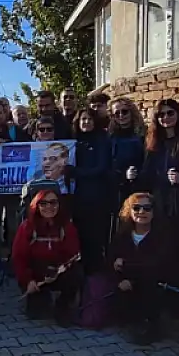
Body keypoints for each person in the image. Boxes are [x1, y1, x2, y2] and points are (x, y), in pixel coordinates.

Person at [138, 99, 179, 318]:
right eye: (161, 115)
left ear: (178, 114)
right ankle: (161, 296)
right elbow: (147, 174)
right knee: (161, 251)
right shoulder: (154, 143)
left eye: (170, 113)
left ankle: (178, 301)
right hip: (159, 204)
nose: (165, 118)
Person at [107, 192, 170, 344]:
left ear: (154, 212)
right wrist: (120, 279)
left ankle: (152, 324)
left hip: (152, 285)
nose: (141, 212)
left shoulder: (163, 236)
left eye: (147, 208)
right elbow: (111, 262)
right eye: (136, 208)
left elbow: (158, 265)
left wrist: (128, 270)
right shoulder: (121, 235)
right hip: (125, 284)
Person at [11, 189, 81, 325]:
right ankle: (39, 297)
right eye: (43, 203)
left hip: (59, 270)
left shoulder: (66, 227)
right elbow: (19, 257)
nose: (49, 207)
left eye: (53, 202)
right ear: (36, 206)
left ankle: (64, 304)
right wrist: (27, 281)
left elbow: (73, 254)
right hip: (36, 274)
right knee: (38, 314)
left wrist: (59, 269)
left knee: (77, 274)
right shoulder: (27, 228)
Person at [0, 99, 30, 275]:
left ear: (5, 114)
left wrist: (7, 145)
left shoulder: (15, 131)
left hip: (13, 189)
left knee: (14, 226)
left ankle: (13, 260)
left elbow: (29, 149)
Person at [71, 107, 113, 271]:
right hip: (78, 196)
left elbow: (101, 168)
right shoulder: (75, 141)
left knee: (95, 236)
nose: (86, 122)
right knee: (80, 234)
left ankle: (96, 274)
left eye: (89, 119)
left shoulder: (101, 140)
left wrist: (76, 172)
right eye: (83, 119)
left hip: (97, 196)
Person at [109, 97, 145, 223]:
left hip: (139, 188)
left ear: (131, 112)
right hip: (116, 189)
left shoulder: (142, 135)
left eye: (124, 111)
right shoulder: (110, 137)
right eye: (116, 113)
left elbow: (147, 161)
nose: (121, 115)